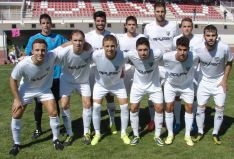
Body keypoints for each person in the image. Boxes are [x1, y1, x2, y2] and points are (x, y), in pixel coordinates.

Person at [9, 39, 64, 156]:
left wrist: (80, 42)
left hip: (44, 90)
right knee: (16, 114)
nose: (40, 53)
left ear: (47, 50)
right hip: (26, 90)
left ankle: (56, 139)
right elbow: (12, 80)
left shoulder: (51, 56)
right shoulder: (23, 64)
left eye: (43, 50)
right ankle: (17, 144)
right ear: (32, 51)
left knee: (53, 112)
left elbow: (64, 45)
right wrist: (17, 99)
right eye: (37, 50)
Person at [25, 13, 68, 139]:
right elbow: (28, 55)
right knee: (38, 104)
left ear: (51, 24)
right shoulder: (33, 39)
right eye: (43, 23)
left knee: (54, 103)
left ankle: (57, 127)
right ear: (40, 24)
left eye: (48, 23)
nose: (46, 25)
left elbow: (67, 45)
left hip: (55, 76)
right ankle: (38, 128)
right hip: (40, 78)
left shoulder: (58, 37)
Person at [192, 25, 233, 145]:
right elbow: (194, 62)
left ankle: (215, 133)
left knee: (220, 108)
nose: (210, 38)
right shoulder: (197, 48)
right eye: (208, 35)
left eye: (213, 35)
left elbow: (229, 62)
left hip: (219, 82)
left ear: (217, 36)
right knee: (200, 107)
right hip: (203, 81)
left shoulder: (224, 48)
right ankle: (200, 132)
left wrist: (224, 80)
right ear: (204, 36)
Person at [52, 30, 93, 146]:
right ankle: (70, 134)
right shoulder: (64, 52)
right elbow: (49, 55)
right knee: (64, 105)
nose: (78, 43)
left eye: (80, 40)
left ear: (84, 41)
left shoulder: (89, 50)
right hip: (67, 81)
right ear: (71, 41)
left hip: (83, 81)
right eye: (75, 40)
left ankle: (86, 133)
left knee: (87, 104)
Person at [144, 0, 179, 131]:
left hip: (169, 66)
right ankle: (153, 120)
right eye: (158, 11)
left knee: (170, 94)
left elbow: (176, 45)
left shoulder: (173, 26)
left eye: (162, 11)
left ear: (165, 12)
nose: (160, 14)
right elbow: (145, 46)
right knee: (152, 94)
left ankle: (171, 118)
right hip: (153, 66)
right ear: (154, 12)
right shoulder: (148, 27)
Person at [91, 35, 130, 145]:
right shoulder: (96, 55)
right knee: (97, 107)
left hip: (117, 84)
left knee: (125, 106)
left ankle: (123, 133)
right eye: (107, 46)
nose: (110, 49)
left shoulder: (123, 55)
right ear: (102, 46)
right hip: (100, 85)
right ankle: (97, 134)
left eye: (112, 46)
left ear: (116, 46)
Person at [127, 37, 164, 146]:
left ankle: (157, 136)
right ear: (136, 50)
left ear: (149, 49)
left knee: (159, 108)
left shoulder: (157, 54)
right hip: (138, 85)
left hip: (154, 85)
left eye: (145, 50)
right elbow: (117, 56)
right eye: (140, 50)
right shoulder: (131, 55)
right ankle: (136, 135)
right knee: (133, 108)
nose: (143, 53)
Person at [85, 11, 117, 134]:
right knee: (95, 99)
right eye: (98, 21)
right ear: (94, 21)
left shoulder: (111, 35)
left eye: (102, 21)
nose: (100, 23)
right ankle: (94, 124)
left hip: (108, 71)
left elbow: (116, 53)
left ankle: (112, 122)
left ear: (105, 21)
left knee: (110, 97)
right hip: (92, 71)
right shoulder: (88, 36)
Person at [163, 36, 198, 146]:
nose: (182, 52)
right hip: (171, 85)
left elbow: (196, 67)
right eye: (180, 49)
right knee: (169, 107)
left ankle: (187, 135)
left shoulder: (194, 57)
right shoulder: (166, 57)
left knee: (189, 107)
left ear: (188, 49)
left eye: (185, 50)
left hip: (186, 85)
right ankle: (170, 134)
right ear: (176, 48)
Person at [172, 17, 204, 134]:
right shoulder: (175, 39)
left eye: (189, 26)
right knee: (177, 98)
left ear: (192, 27)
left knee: (193, 98)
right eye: (184, 26)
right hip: (179, 73)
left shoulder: (199, 40)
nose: (187, 28)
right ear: (181, 27)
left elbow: (201, 57)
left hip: (194, 73)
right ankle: (178, 121)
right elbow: (173, 56)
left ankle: (193, 120)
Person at [116, 15, 145, 94]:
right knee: (123, 93)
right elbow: (117, 55)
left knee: (136, 93)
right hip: (124, 70)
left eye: (133, 24)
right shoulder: (120, 38)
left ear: (136, 26)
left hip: (138, 70)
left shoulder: (142, 37)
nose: (131, 26)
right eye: (129, 24)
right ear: (125, 26)